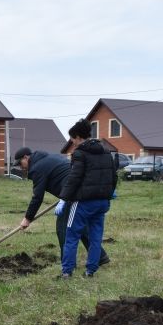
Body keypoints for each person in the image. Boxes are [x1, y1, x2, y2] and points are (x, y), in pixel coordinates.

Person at [15, 146, 110, 267]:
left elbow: (37, 197)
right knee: (79, 226)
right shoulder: (49, 157)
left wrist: (27, 218)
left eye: (20, 163)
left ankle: (68, 265)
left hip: (72, 193)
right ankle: (101, 257)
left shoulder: (37, 168)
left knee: (62, 228)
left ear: (26, 157)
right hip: (80, 189)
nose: (20, 167)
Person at [56, 119, 117, 278]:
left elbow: (74, 178)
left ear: (78, 137)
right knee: (96, 237)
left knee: (71, 235)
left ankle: (67, 272)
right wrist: (109, 194)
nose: (71, 141)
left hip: (83, 203)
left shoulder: (79, 154)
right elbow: (113, 175)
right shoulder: (105, 151)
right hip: (102, 202)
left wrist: (63, 198)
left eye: (72, 138)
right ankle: (90, 271)